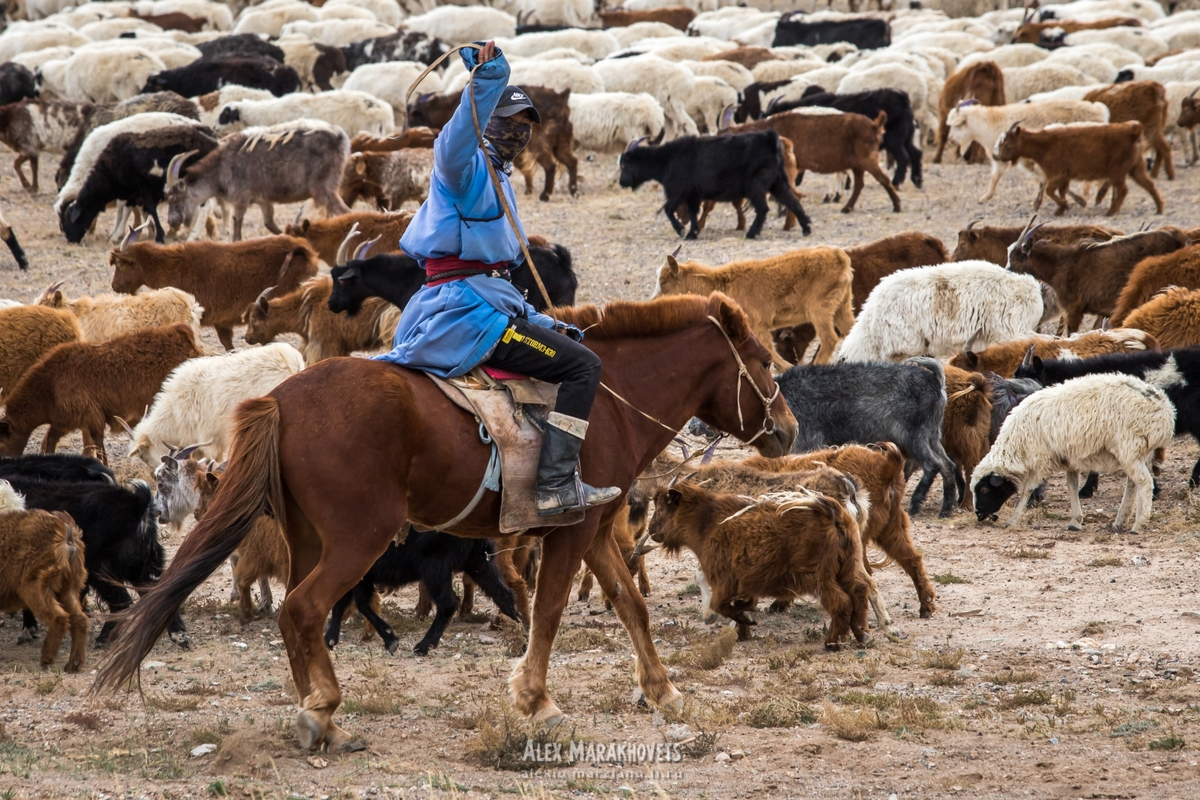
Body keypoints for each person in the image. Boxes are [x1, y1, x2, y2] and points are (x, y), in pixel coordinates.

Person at [376, 40, 620, 518]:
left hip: (488, 303)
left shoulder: (503, 177)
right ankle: (553, 485)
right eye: (509, 123)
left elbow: (498, 281)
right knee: (583, 367)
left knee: (566, 339)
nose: (520, 134)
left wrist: (541, 321)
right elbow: (454, 140)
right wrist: (487, 81)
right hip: (462, 312)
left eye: (527, 126)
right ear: (486, 122)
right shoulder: (463, 170)